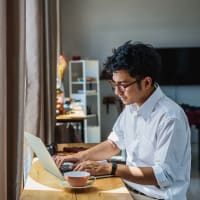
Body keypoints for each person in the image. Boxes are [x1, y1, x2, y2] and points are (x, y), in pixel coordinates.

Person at [55, 41, 191, 200]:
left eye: (123, 85)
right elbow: (114, 144)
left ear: (146, 82)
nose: (117, 91)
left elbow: (164, 176)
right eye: (114, 84)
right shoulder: (132, 108)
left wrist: (110, 168)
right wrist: (82, 156)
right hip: (128, 190)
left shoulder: (170, 117)